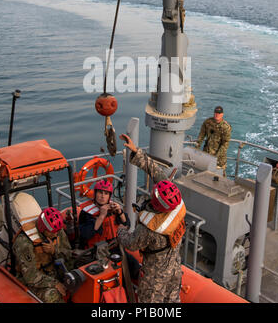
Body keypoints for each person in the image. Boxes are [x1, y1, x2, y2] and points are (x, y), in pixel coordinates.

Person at [116, 134, 186, 304]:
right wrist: (137, 152)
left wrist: (120, 231)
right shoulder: (176, 207)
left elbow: (132, 243)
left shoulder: (149, 229)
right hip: (175, 269)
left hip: (155, 278)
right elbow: (157, 173)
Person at [78, 179, 139, 279]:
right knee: (110, 275)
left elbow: (127, 225)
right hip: (96, 252)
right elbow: (86, 234)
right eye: (100, 193)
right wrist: (101, 216)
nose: (102, 196)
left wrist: (120, 212)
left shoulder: (113, 208)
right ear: (95, 194)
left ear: (109, 196)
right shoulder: (86, 213)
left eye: (106, 193)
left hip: (114, 247)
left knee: (134, 266)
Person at [13, 207, 74, 303]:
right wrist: (55, 283)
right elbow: (30, 276)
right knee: (53, 296)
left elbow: (68, 255)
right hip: (34, 281)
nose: (55, 235)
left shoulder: (57, 231)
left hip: (54, 271)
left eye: (57, 232)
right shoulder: (24, 242)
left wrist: (55, 251)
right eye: (52, 233)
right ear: (43, 229)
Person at [196, 106, 232, 177]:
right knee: (205, 174)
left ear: (222, 114)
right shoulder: (208, 122)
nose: (217, 115)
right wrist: (197, 148)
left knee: (219, 177)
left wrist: (215, 158)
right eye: (216, 113)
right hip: (207, 153)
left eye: (219, 113)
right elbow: (201, 135)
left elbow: (225, 144)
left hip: (219, 158)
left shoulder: (225, 127)